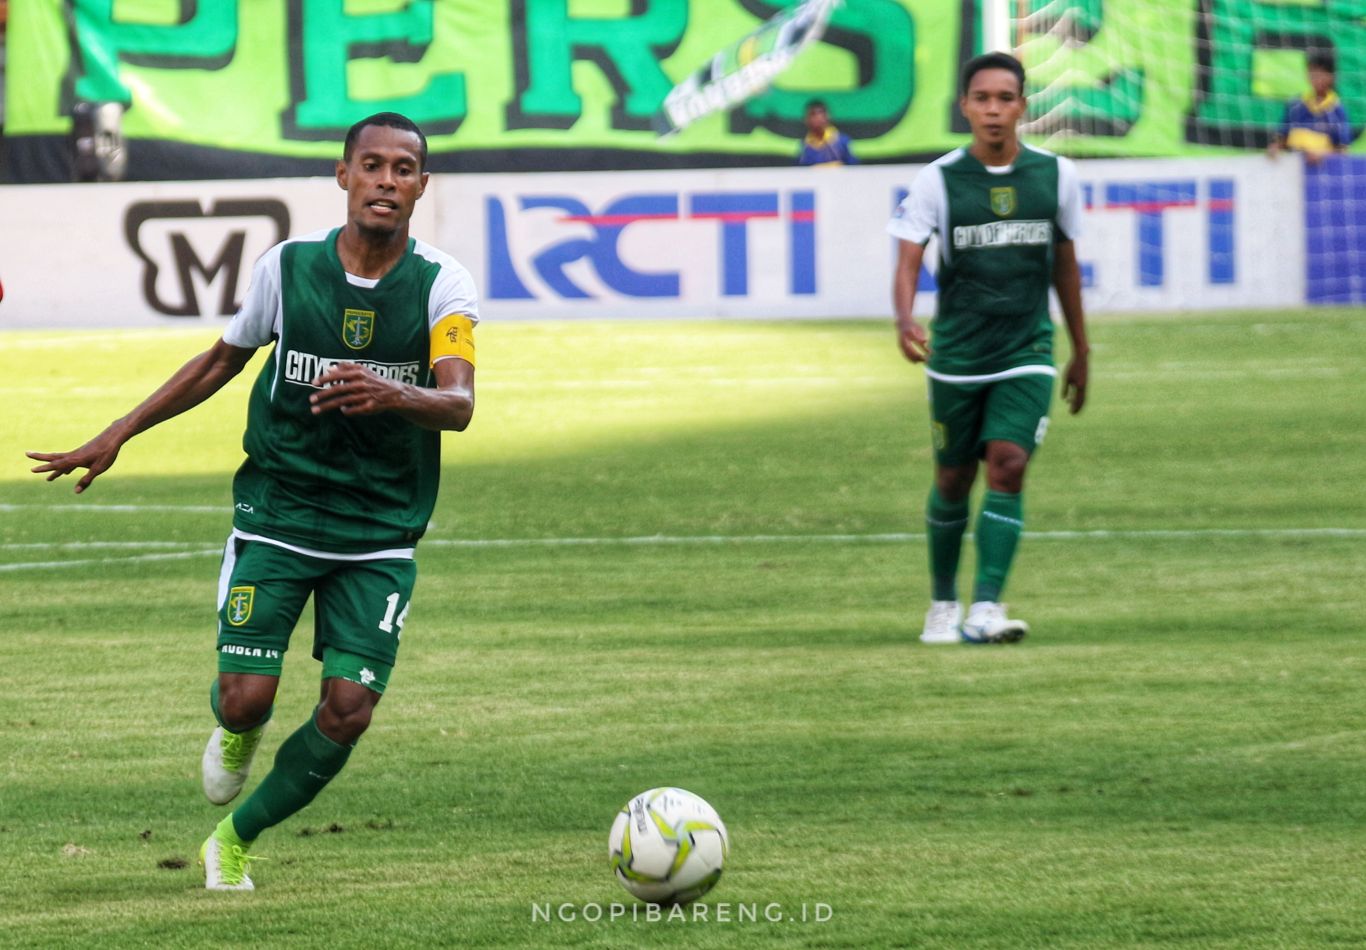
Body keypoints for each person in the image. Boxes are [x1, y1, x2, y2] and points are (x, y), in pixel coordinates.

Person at [27, 112, 479, 889]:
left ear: (421, 187)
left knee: (348, 710)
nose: (386, 181)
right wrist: (121, 430)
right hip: (279, 514)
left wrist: (392, 392)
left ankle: (233, 840)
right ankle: (238, 729)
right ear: (344, 176)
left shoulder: (444, 284)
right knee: (243, 703)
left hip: (378, 530)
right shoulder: (288, 267)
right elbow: (220, 362)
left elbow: (460, 402)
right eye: (371, 166)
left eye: (404, 170)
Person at [886, 52, 1088, 645]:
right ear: (965, 106)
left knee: (1009, 463)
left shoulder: (1056, 175)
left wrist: (1082, 349)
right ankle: (943, 605)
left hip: (1027, 349)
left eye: (1005, 98)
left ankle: (988, 608)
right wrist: (903, 317)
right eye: (982, 98)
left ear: (1023, 105)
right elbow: (907, 256)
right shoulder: (939, 180)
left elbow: (1067, 268)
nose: (994, 110)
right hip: (957, 356)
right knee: (952, 479)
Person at [1267, 52, 1352, 165]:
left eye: (1321, 73)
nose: (1316, 78)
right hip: (1293, 170)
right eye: (1312, 73)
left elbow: (1343, 150)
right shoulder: (1295, 105)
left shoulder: (1337, 110)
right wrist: (1275, 147)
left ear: (1332, 77)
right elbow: (1282, 135)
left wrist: (1322, 155)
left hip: (1323, 172)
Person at [797, 99, 857, 166]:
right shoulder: (804, 146)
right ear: (806, 119)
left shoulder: (842, 141)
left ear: (828, 116)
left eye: (821, 113)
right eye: (813, 114)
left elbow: (854, 167)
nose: (818, 117)